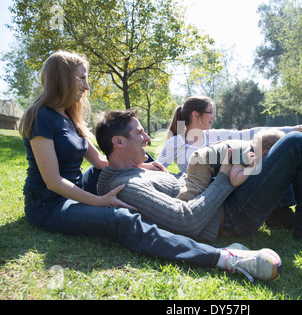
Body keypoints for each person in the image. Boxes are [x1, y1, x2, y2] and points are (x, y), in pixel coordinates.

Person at [18, 50, 283, 282]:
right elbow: (52, 180)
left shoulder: (69, 118)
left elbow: (101, 161)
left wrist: (143, 168)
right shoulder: (42, 116)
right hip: (49, 202)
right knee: (120, 218)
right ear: (62, 78)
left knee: (131, 179)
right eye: (81, 78)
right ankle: (223, 258)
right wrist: (100, 202)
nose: (86, 86)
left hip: (76, 185)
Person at [96, 109, 302, 245]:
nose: (148, 138)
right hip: (228, 219)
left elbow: (180, 188)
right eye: (140, 134)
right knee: (297, 143)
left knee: (268, 146)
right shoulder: (125, 185)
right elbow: (185, 221)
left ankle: (280, 212)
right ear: (118, 142)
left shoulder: (136, 170)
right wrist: (224, 176)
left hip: (224, 201)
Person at [158, 96, 299, 228]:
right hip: (205, 191)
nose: (213, 117)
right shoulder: (176, 142)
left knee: (267, 160)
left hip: (230, 184)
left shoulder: (214, 134)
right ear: (195, 115)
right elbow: (159, 169)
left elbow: (250, 133)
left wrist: (294, 130)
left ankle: (280, 210)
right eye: (210, 112)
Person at [178, 129, 285, 201]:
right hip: (203, 162)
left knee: (197, 188)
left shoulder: (249, 145)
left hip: (203, 158)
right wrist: (251, 168)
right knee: (195, 191)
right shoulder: (248, 155)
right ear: (265, 153)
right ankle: (176, 208)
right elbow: (234, 179)